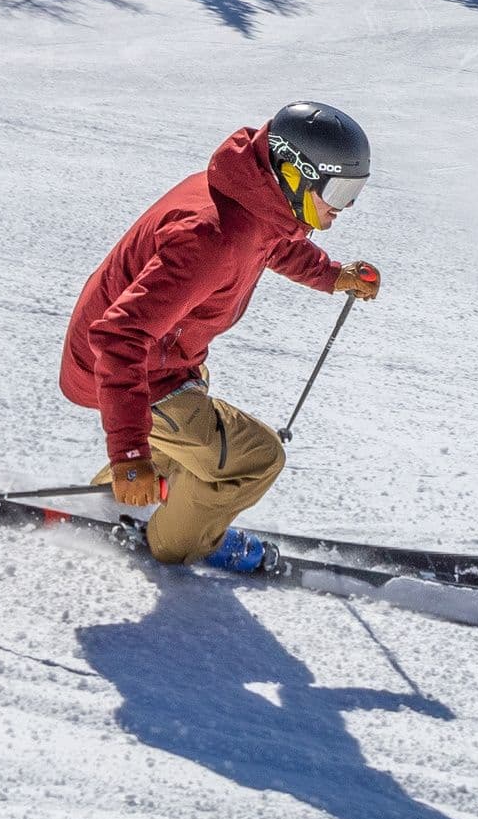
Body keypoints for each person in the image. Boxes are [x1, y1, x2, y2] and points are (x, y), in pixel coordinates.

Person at [61, 101, 382, 564]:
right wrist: (129, 454)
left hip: (164, 361)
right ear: (295, 174)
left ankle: (107, 507)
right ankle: (173, 543)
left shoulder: (251, 198)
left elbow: (272, 244)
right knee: (257, 458)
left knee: (195, 441)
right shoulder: (212, 239)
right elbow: (119, 337)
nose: (345, 207)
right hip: (126, 367)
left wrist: (332, 276)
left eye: (356, 190)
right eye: (339, 189)